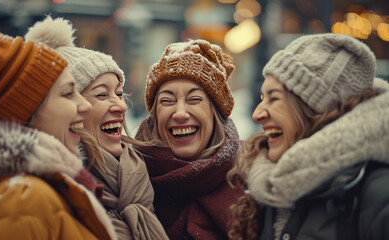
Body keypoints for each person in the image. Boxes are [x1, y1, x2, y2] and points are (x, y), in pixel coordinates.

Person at [0, 16, 117, 240]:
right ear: (25, 112)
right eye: (67, 93)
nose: (84, 105)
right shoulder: (21, 201)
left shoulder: (28, 193)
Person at [227, 33, 389, 240]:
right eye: (261, 97)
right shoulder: (268, 188)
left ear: (317, 110)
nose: (257, 114)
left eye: (274, 98)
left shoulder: (377, 193)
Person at [24, 16, 169, 240]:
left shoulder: (146, 174)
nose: (121, 105)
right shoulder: (48, 192)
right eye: (101, 94)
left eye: (119, 94)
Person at [133, 39, 245, 240]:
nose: (180, 113)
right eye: (167, 101)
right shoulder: (129, 179)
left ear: (215, 112)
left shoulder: (253, 177)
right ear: (155, 115)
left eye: (194, 99)